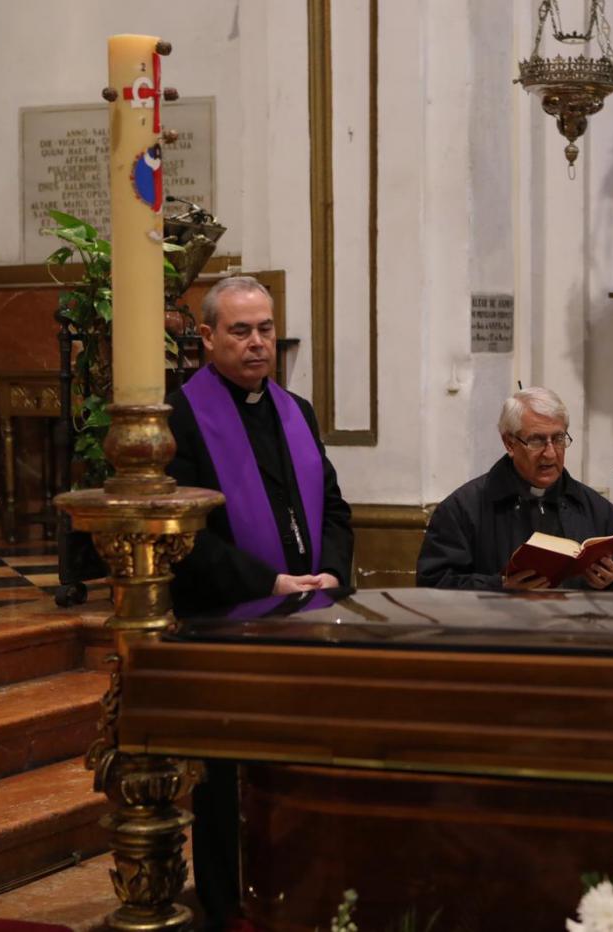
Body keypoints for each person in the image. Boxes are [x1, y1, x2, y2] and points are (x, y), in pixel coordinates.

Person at [165, 275, 353, 928]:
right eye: (240, 331)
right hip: (226, 624)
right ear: (209, 337)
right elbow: (183, 532)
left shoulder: (296, 411)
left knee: (304, 770)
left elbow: (332, 506)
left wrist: (329, 571)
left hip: (306, 619)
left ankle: (302, 893)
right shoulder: (179, 418)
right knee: (229, 783)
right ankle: (229, 906)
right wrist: (263, 582)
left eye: (265, 329)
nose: (256, 343)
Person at [416, 387, 613, 592]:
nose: (550, 453)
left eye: (557, 439)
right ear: (509, 443)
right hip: (502, 634)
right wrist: (499, 587)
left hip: (576, 635)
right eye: (536, 441)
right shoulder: (463, 509)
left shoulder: (600, 511)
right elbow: (433, 583)